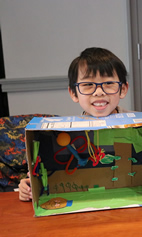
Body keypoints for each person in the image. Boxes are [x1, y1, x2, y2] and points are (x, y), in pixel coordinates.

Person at [18, 47, 130, 201]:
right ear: (74, 93)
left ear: (123, 89)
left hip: (125, 196)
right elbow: (42, 171)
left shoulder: (138, 126)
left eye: (109, 83)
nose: (98, 92)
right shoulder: (69, 131)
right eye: (88, 85)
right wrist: (28, 186)